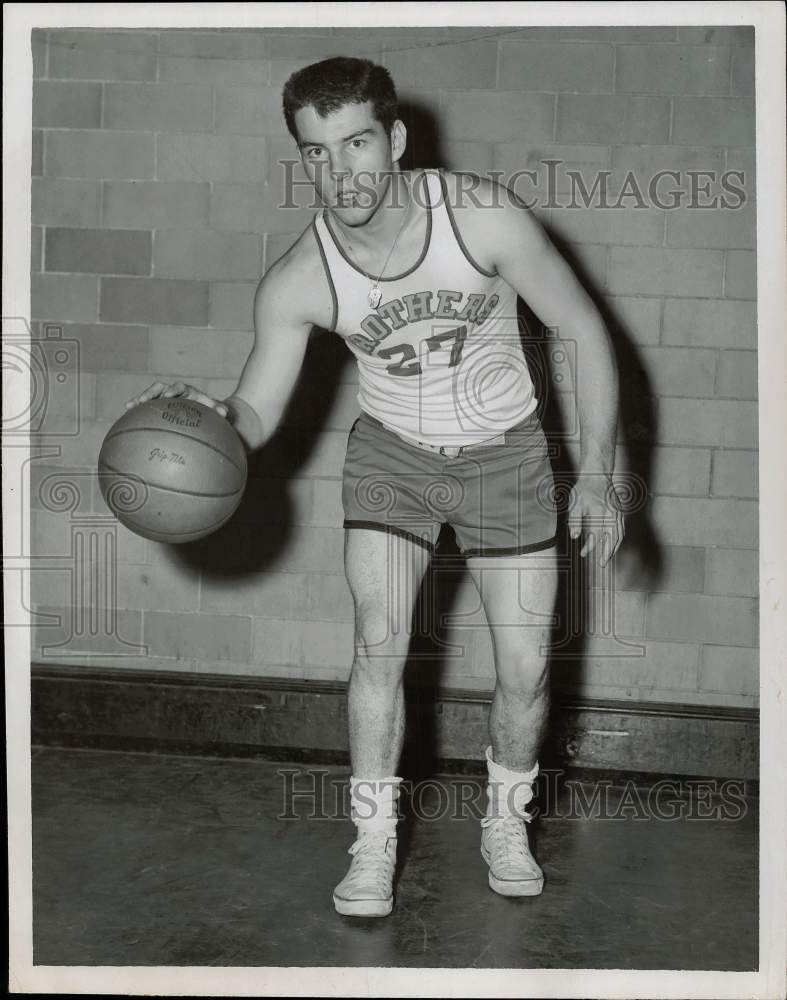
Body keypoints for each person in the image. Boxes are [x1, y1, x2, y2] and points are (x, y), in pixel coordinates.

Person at [125, 56, 624, 917]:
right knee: (377, 644)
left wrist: (600, 473)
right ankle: (372, 842)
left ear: (393, 139)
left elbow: (580, 324)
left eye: (355, 143)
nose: (339, 170)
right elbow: (254, 410)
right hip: (392, 458)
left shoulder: (477, 217)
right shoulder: (300, 277)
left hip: (504, 455)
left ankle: (504, 823)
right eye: (315, 152)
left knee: (525, 668)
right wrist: (205, 415)